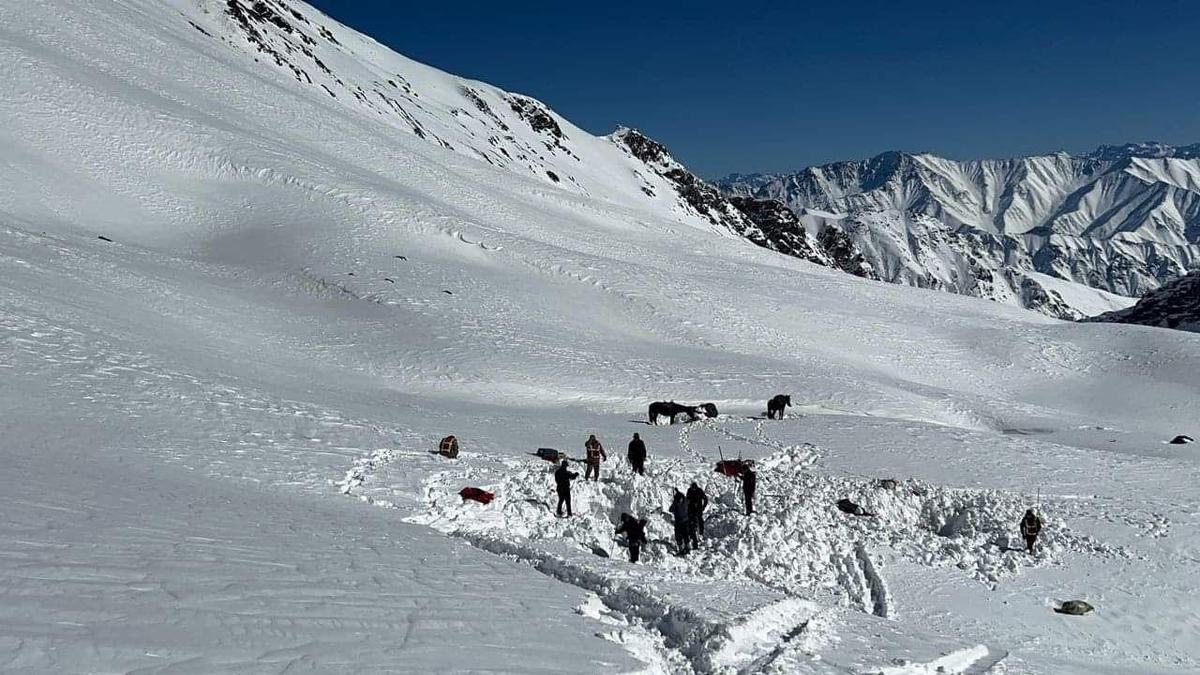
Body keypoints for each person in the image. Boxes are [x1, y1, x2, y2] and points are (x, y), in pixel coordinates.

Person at [670, 491, 691, 555]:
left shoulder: (685, 501)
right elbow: (671, 509)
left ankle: (687, 548)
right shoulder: (676, 503)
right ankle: (681, 549)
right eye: (678, 500)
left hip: (685, 522)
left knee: (686, 535)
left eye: (680, 499)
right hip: (678, 522)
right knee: (678, 536)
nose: (680, 501)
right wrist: (674, 502)